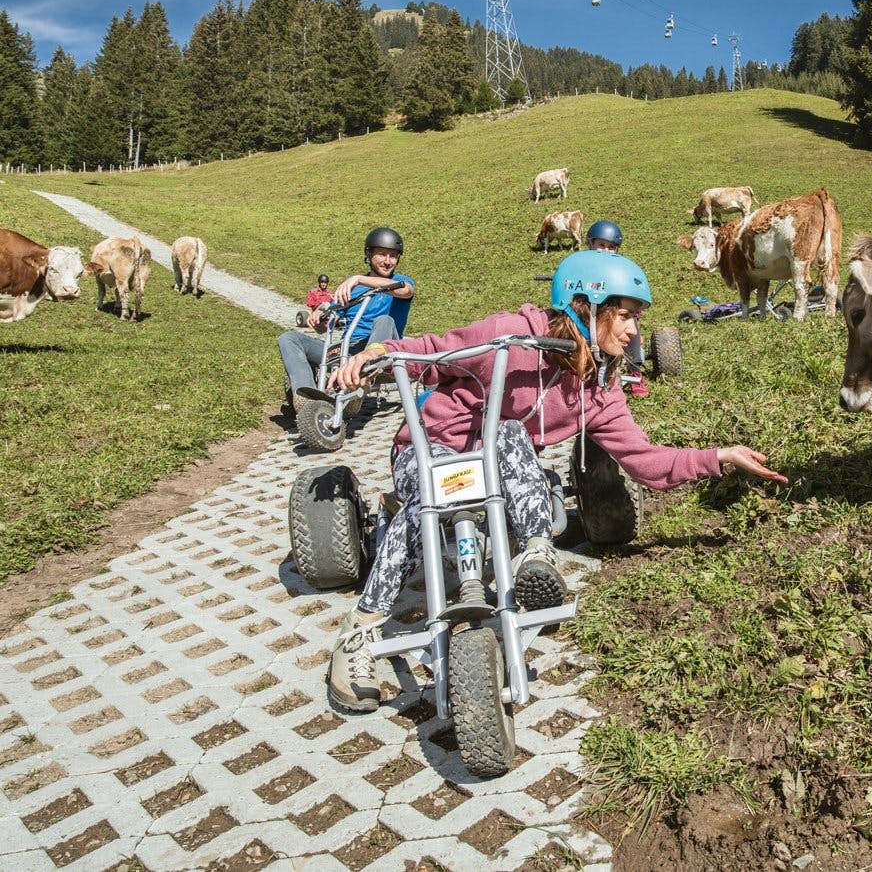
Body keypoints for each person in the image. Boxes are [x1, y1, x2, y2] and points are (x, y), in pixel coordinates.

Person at [324, 250, 786, 712]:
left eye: (637, 320)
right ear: (586, 306)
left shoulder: (599, 391)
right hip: (432, 450)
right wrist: (376, 354)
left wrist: (720, 456)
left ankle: (536, 554)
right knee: (432, 495)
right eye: (624, 316)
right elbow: (431, 351)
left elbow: (646, 461)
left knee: (506, 432)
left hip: (496, 470)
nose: (633, 332)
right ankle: (360, 631)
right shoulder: (512, 336)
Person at [278, 228, 415, 403]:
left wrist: (358, 279)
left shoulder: (399, 281)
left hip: (383, 351)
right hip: (346, 350)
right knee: (289, 338)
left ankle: (362, 373)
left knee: (384, 320)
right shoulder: (351, 288)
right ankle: (306, 398)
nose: (388, 261)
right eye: (382, 254)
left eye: (393, 256)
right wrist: (319, 317)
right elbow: (324, 328)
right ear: (369, 254)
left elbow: (406, 291)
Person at [582, 220, 648, 395]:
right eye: (601, 245)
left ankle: (635, 372)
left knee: (630, 330)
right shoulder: (581, 265)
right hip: (588, 312)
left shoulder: (620, 268)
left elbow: (630, 291)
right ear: (590, 243)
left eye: (611, 247)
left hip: (615, 312)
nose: (605, 250)